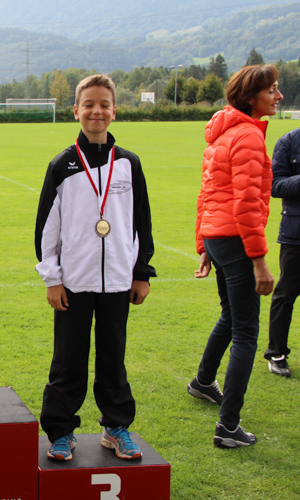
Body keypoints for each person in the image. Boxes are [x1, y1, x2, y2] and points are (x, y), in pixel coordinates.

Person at [34, 74, 156, 461]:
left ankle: (116, 427)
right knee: (68, 361)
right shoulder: (63, 164)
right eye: (89, 104)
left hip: (118, 280)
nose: (96, 111)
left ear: (114, 110)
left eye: (104, 104)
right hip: (73, 282)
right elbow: (46, 229)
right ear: (76, 111)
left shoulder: (129, 164)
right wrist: (52, 279)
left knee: (112, 359)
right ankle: (61, 431)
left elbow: (141, 221)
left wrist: (141, 272)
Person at [189, 64, 282, 448]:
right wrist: (259, 261)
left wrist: (204, 245)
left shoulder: (224, 133)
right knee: (246, 330)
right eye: (272, 90)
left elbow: (207, 194)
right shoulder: (247, 135)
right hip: (236, 240)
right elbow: (245, 203)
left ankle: (203, 381)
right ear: (250, 96)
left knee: (231, 317)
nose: (278, 96)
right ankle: (228, 427)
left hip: (219, 237)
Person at [264, 126, 300, 378]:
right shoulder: (289, 141)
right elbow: (275, 185)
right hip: (296, 233)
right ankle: (277, 354)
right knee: (286, 293)